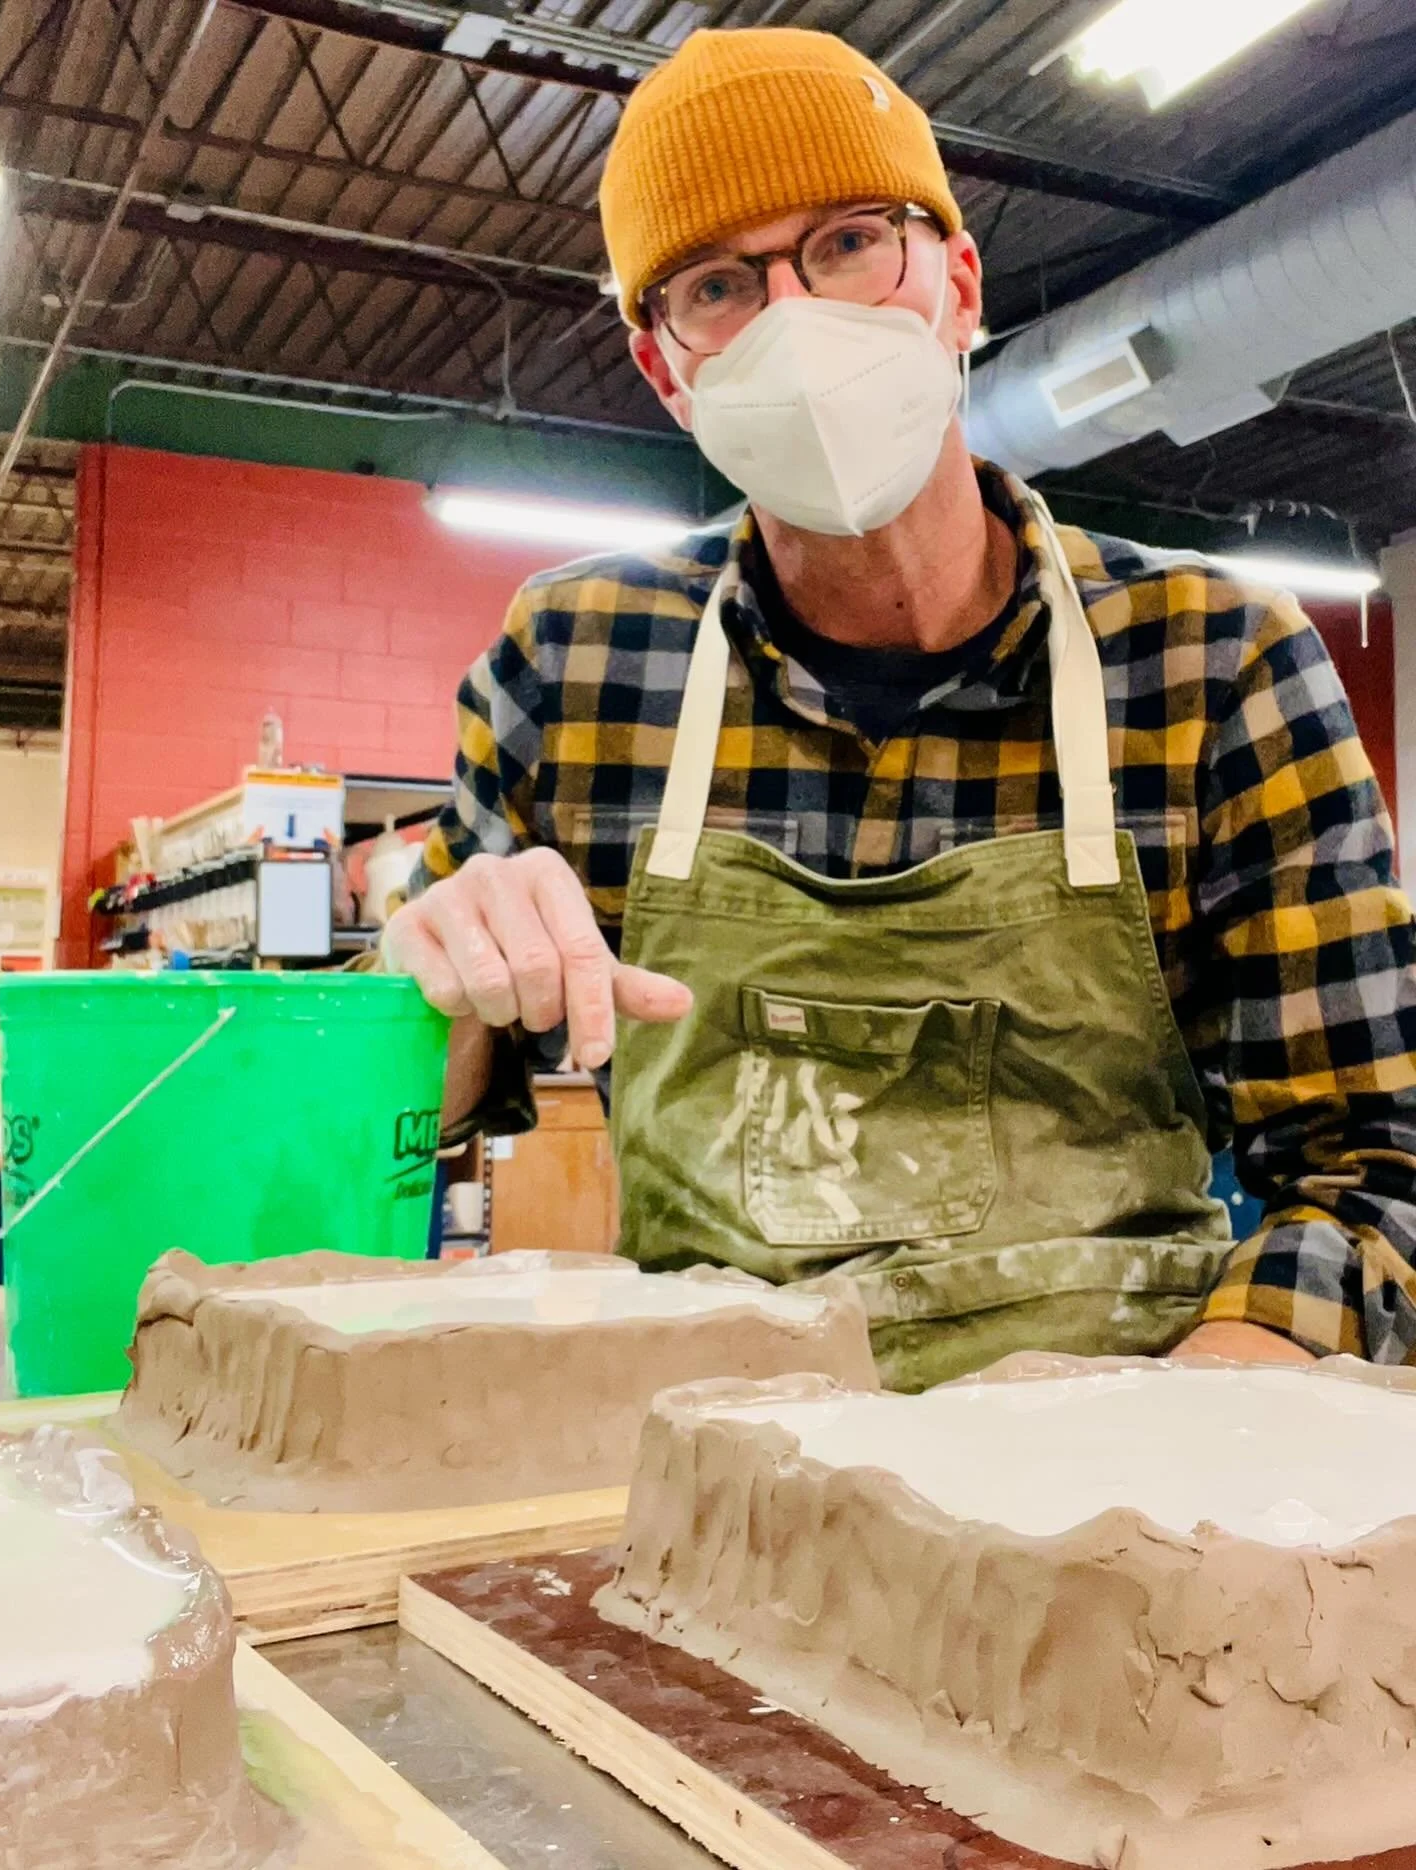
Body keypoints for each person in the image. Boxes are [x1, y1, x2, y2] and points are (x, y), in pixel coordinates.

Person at [383, 27, 1416, 1387]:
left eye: (850, 243)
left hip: (1126, 1447)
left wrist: (1177, 1433)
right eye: (716, 286)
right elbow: (394, 1126)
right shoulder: (576, 663)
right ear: (667, 371)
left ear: (957, 285)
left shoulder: (1213, 663)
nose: (795, 319)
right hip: (713, 1455)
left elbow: (1375, 1175)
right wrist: (435, 1000)